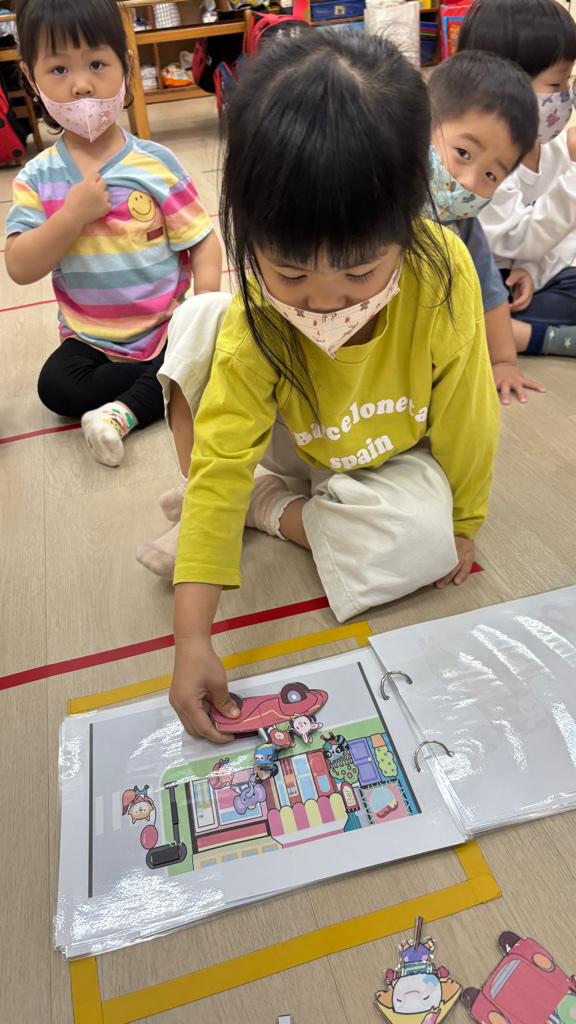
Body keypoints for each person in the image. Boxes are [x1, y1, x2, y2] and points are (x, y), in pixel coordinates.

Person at [138, 31, 499, 741]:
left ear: (409, 221)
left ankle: (266, 507)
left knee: (422, 540)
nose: (326, 301)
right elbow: (221, 463)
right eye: (292, 273)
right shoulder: (259, 316)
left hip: (384, 458)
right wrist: (191, 639)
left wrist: (462, 526)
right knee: (202, 319)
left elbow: (469, 416)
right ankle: (246, 497)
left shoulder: (444, 274)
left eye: (360, 273)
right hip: (288, 437)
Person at [4, 0, 221, 466]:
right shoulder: (37, 178)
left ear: (126, 64)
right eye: (58, 69)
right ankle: (159, 389)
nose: (81, 85)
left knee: (197, 350)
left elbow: (201, 239)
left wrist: (202, 309)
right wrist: (70, 217)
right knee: (55, 388)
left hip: (163, 328)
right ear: (31, 79)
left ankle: (119, 413)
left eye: (97, 64)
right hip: (90, 340)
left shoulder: (155, 164)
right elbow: (19, 267)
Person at [458, 0, 576, 360]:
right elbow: (518, 237)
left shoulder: (552, 147)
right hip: (487, 284)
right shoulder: (485, 164)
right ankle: (520, 336)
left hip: (527, 278)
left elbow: (559, 240)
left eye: (568, 80)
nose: (566, 95)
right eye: (555, 83)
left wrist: (531, 270)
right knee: (465, 307)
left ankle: (507, 332)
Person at [428, 50, 544, 404]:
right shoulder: (380, 193)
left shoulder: (461, 223)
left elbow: (489, 293)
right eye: (463, 153)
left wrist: (504, 362)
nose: (469, 181)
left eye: (492, 175)